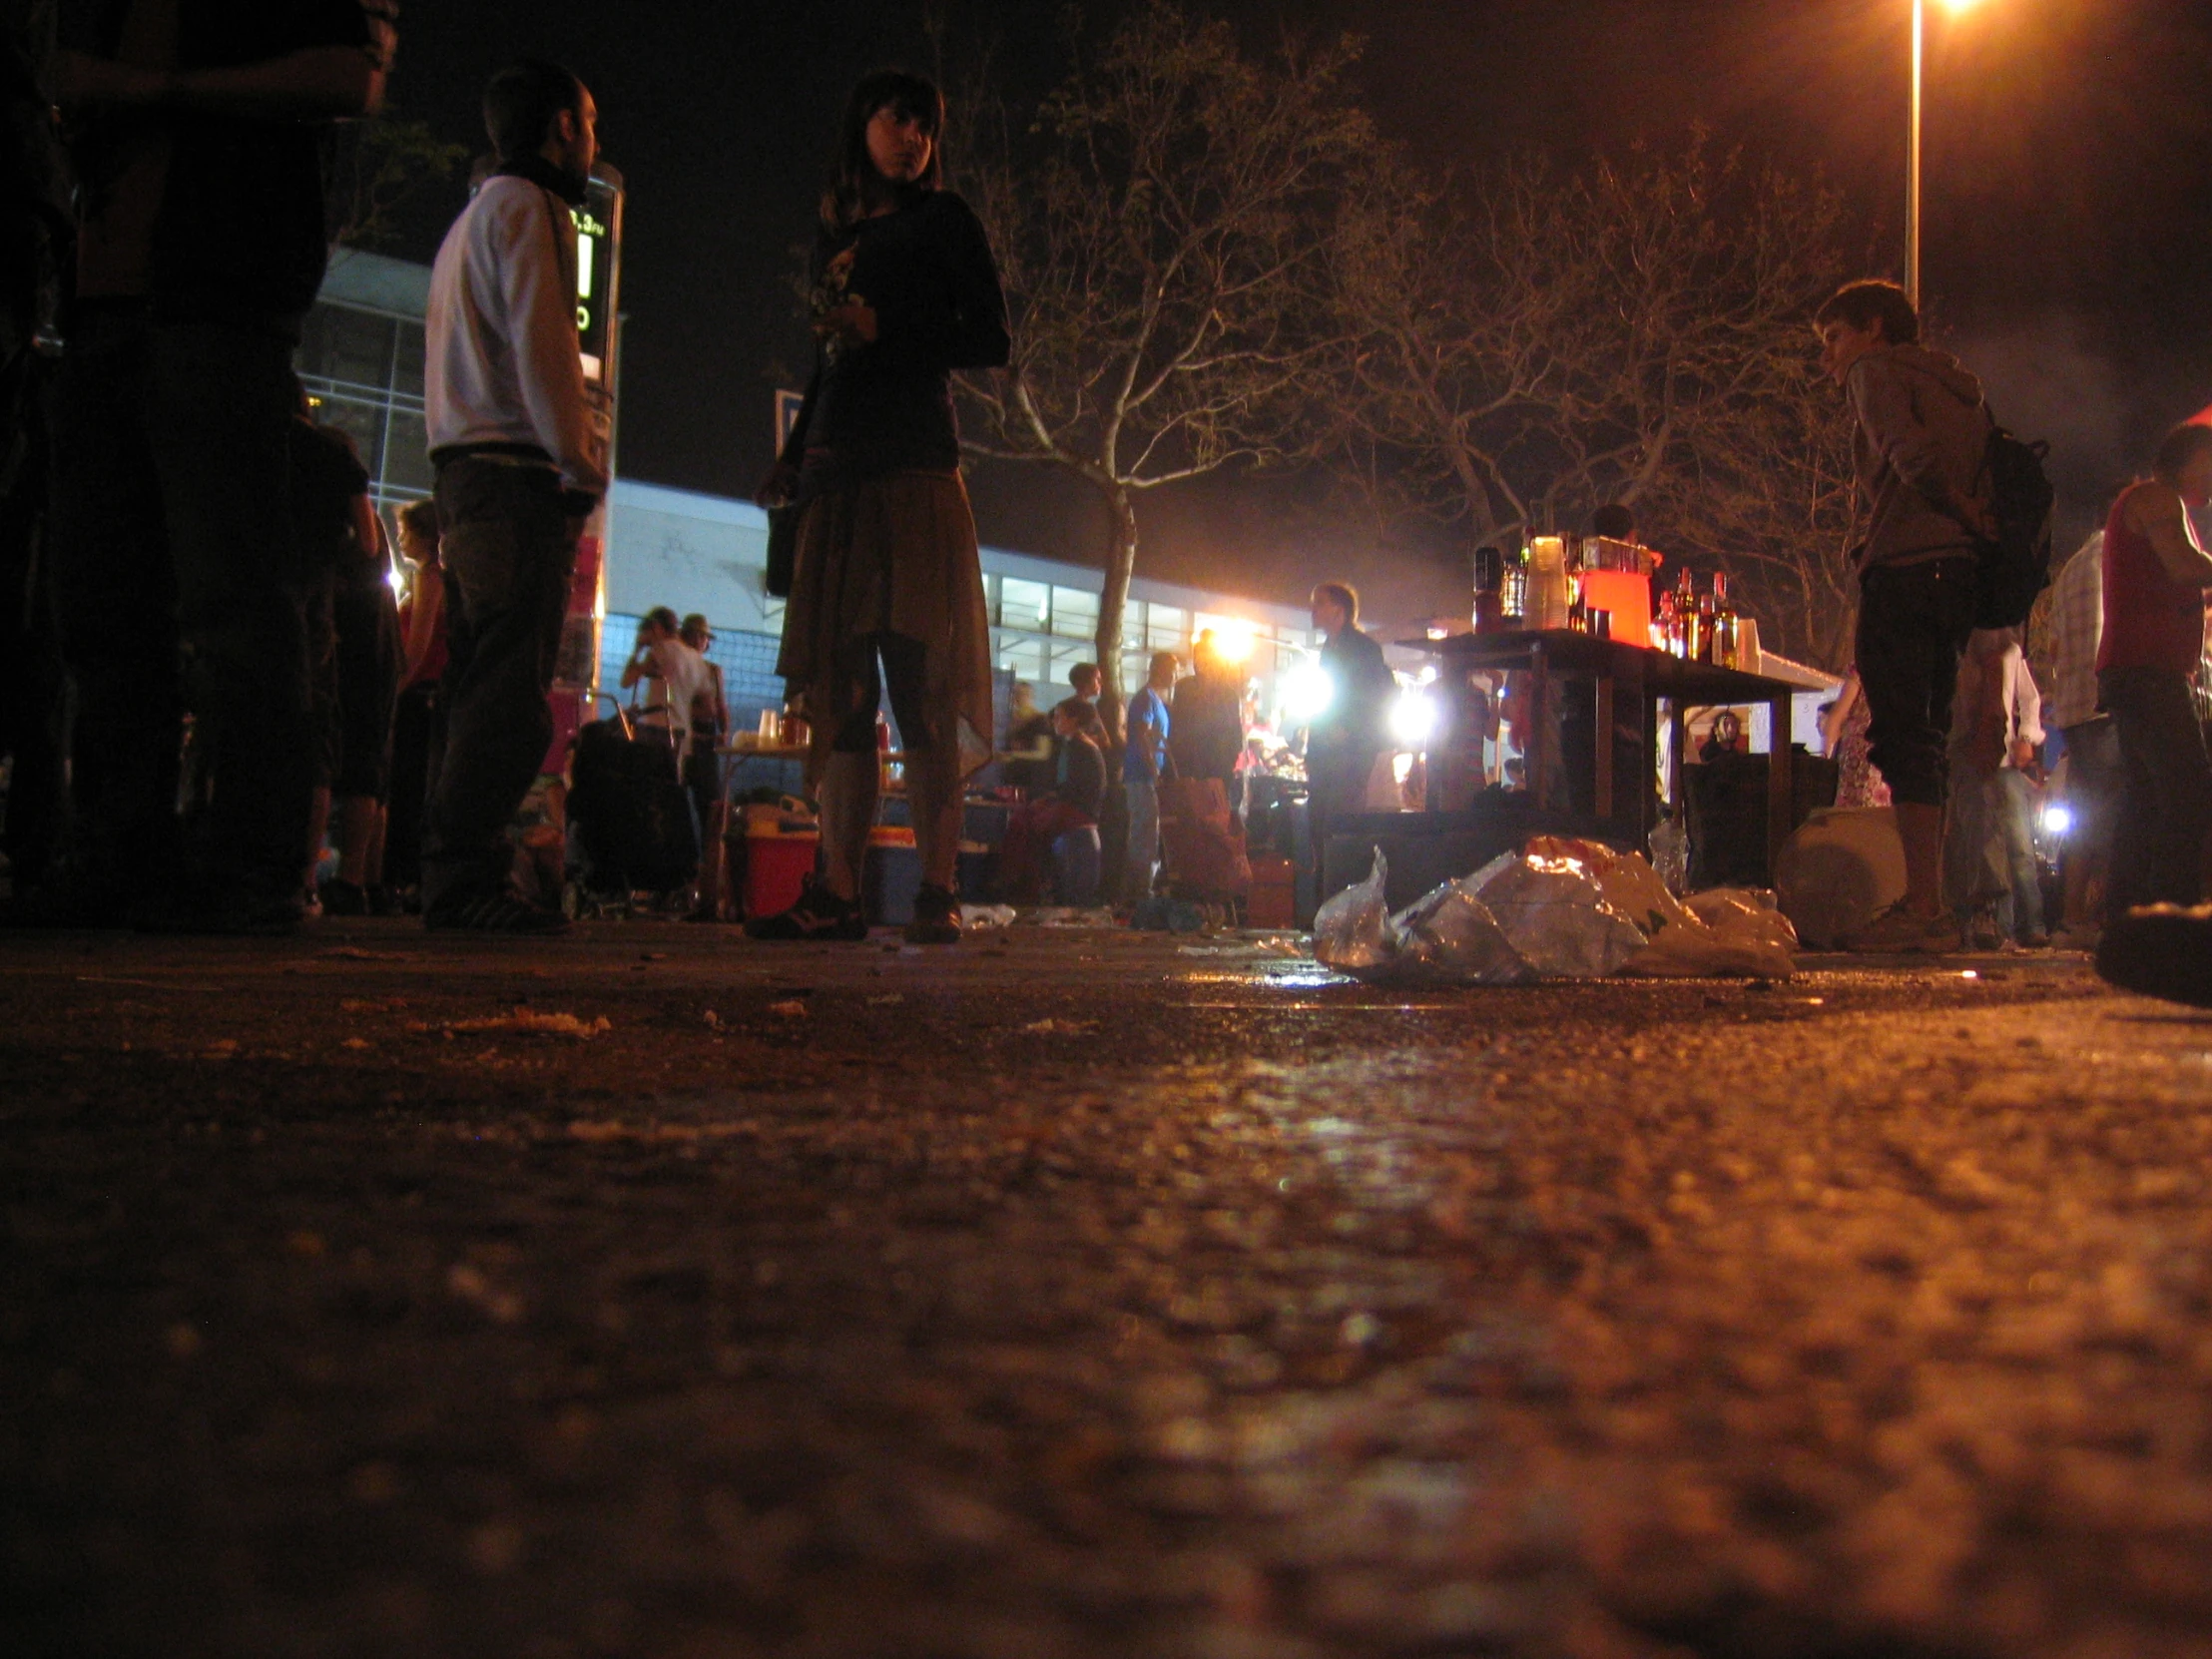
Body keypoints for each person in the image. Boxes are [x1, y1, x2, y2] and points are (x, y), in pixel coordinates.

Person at [42, 0, 393, 931]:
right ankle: (126, 850)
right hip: (110, 289)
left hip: (216, 288)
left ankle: (248, 863)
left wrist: (152, 90)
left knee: (230, 594)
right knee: (109, 599)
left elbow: (350, 72)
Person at [747, 67, 1008, 944]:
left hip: (916, 474)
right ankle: (838, 891)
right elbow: (829, 362)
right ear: (861, 126)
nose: (913, 137)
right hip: (838, 477)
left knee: (921, 686)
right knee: (844, 694)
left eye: (926, 126)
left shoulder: (946, 222)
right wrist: (790, 460)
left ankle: (938, 891)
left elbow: (990, 336)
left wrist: (886, 329)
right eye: (898, 120)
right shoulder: (839, 236)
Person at [420, 59, 608, 933]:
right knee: (508, 691)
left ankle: (457, 870)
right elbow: (545, 349)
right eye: (590, 123)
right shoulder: (530, 211)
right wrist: (578, 461)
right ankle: (466, 880)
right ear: (562, 127)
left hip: (462, 471)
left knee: (477, 684)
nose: (595, 141)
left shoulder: (468, 220)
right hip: (512, 475)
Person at [1816, 279, 1995, 953]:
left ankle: (1922, 905)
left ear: (1872, 327)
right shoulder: (1959, 388)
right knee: (1931, 733)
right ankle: (1934, 903)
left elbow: (1907, 453)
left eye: (1835, 337)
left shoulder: (1875, 369)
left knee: (1900, 734)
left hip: (1909, 566)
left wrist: (1952, 506)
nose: (1831, 357)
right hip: (1957, 576)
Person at [2096, 421, 2212, 925]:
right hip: (2146, 670)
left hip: (2140, 669)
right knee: (2187, 788)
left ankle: (2126, 914)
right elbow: (2185, 567)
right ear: (2187, 460)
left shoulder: (2160, 503)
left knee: (2146, 797)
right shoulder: (2156, 498)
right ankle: (2171, 916)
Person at [2041, 510, 2118, 945]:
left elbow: (2053, 647)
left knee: (2086, 816)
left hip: (2073, 712)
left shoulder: (2071, 568)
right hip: (2103, 705)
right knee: (2111, 817)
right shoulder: (2113, 561)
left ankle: (2073, 918)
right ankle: (2109, 917)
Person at [1943, 627, 2045, 948]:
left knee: (2018, 847)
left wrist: (2026, 736)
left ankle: (2030, 923)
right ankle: (1981, 922)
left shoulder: (2009, 652)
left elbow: (2029, 697)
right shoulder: (1955, 650)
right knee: (1972, 838)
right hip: (1963, 754)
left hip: (2002, 758)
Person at [1304, 580, 1394, 896]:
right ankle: (1324, 901)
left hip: (1349, 755)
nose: (1313, 610)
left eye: (1319, 603)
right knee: (1320, 828)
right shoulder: (1330, 649)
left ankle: (1340, 899)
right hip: (1325, 754)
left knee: (1340, 828)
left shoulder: (1364, 649)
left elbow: (1374, 699)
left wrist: (1349, 730)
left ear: (1338, 611)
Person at [383, 499, 447, 906]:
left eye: (406, 531)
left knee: (406, 786)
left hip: (420, 692)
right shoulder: (432, 576)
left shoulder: (431, 577)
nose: (401, 538)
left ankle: (402, 876)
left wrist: (397, 688)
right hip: (428, 692)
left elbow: (418, 644)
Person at [995, 698, 1105, 903]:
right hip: (1071, 804)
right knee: (1023, 818)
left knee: (1026, 824)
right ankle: (1023, 883)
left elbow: (1077, 788)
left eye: (1059, 717)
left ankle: (1021, 885)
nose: (1054, 721)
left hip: (1079, 809)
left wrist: (1049, 801)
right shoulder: (1073, 745)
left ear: (1074, 720)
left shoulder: (1080, 747)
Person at [620, 606, 708, 774]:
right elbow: (707, 707)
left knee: (648, 780)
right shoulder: (696, 659)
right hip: (682, 730)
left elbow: (626, 681)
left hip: (657, 727)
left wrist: (637, 650)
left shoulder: (660, 650)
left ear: (657, 627)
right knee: (673, 779)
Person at [1120, 649, 1178, 903]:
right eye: (1174, 670)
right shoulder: (1146, 699)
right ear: (1161, 670)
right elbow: (1142, 735)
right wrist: (1153, 769)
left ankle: (1142, 888)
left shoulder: (1155, 699)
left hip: (1145, 776)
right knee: (1144, 833)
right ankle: (1139, 892)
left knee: (1148, 832)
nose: (1176, 676)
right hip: (1141, 777)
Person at [1169, 631, 1247, 817]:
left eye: (1206, 660)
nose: (1201, 665)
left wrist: (1228, 761)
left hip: (1217, 768)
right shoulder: (1184, 687)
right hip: (1188, 767)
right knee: (1188, 820)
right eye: (1198, 660)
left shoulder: (1228, 694)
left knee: (1215, 818)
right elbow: (1177, 726)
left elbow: (1234, 731)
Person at [678, 613, 728, 831]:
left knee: (710, 806)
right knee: (678, 804)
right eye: (696, 636)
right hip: (684, 738)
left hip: (708, 741)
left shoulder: (714, 670)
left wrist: (725, 731)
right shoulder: (678, 669)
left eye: (703, 637)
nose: (700, 641)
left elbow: (721, 705)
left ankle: (710, 857)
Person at [999, 681, 1056, 796]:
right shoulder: (1013, 721)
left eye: (1023, 694)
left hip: (1033, 780)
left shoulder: (1041, 721)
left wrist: (1013, 755)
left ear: (1031, 696)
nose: (1018, 698)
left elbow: (1043, 753)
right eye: (1016, 694)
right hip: (1013, 778)